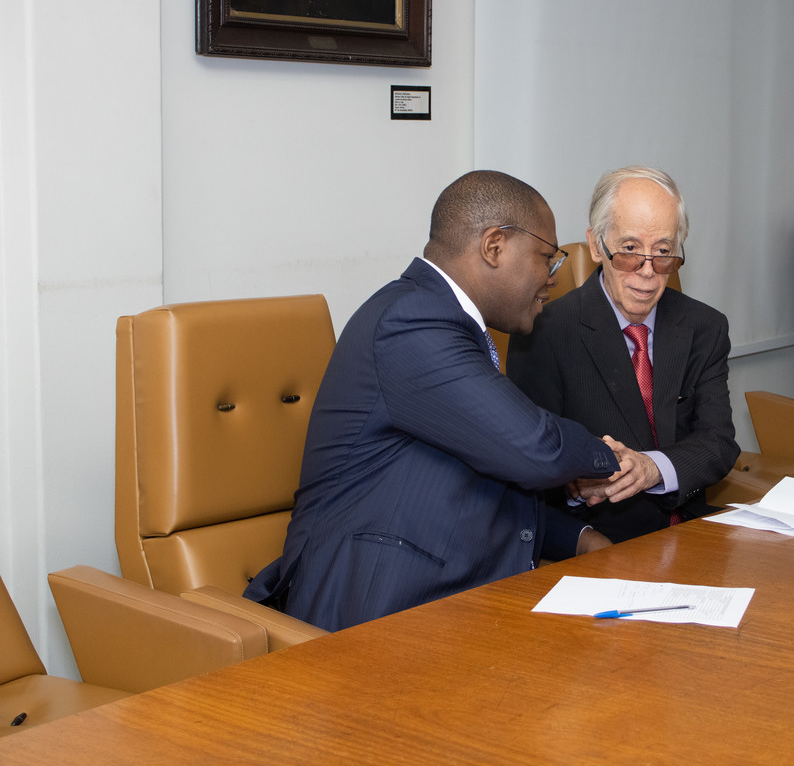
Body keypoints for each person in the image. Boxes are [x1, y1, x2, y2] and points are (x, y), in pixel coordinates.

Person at [245, 170, 625, 631]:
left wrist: (579, 537)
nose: (551, 278)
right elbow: (535, 448)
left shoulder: (448, 322)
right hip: (371, 611)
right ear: (494, 246)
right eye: (547, 258)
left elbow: (477, 476)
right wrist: (609, 457)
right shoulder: (412, 320)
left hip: (448, 602)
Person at [506, 166, 739, 544]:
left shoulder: (705, 326)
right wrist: (577, 496)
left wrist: (652, 468)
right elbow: (525, 473)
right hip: (605, 543)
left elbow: (719, 442)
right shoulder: (545, 332)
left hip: (694, 536)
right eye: (630, 249)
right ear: (597, 245)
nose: (648, 272)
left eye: (662, 252)